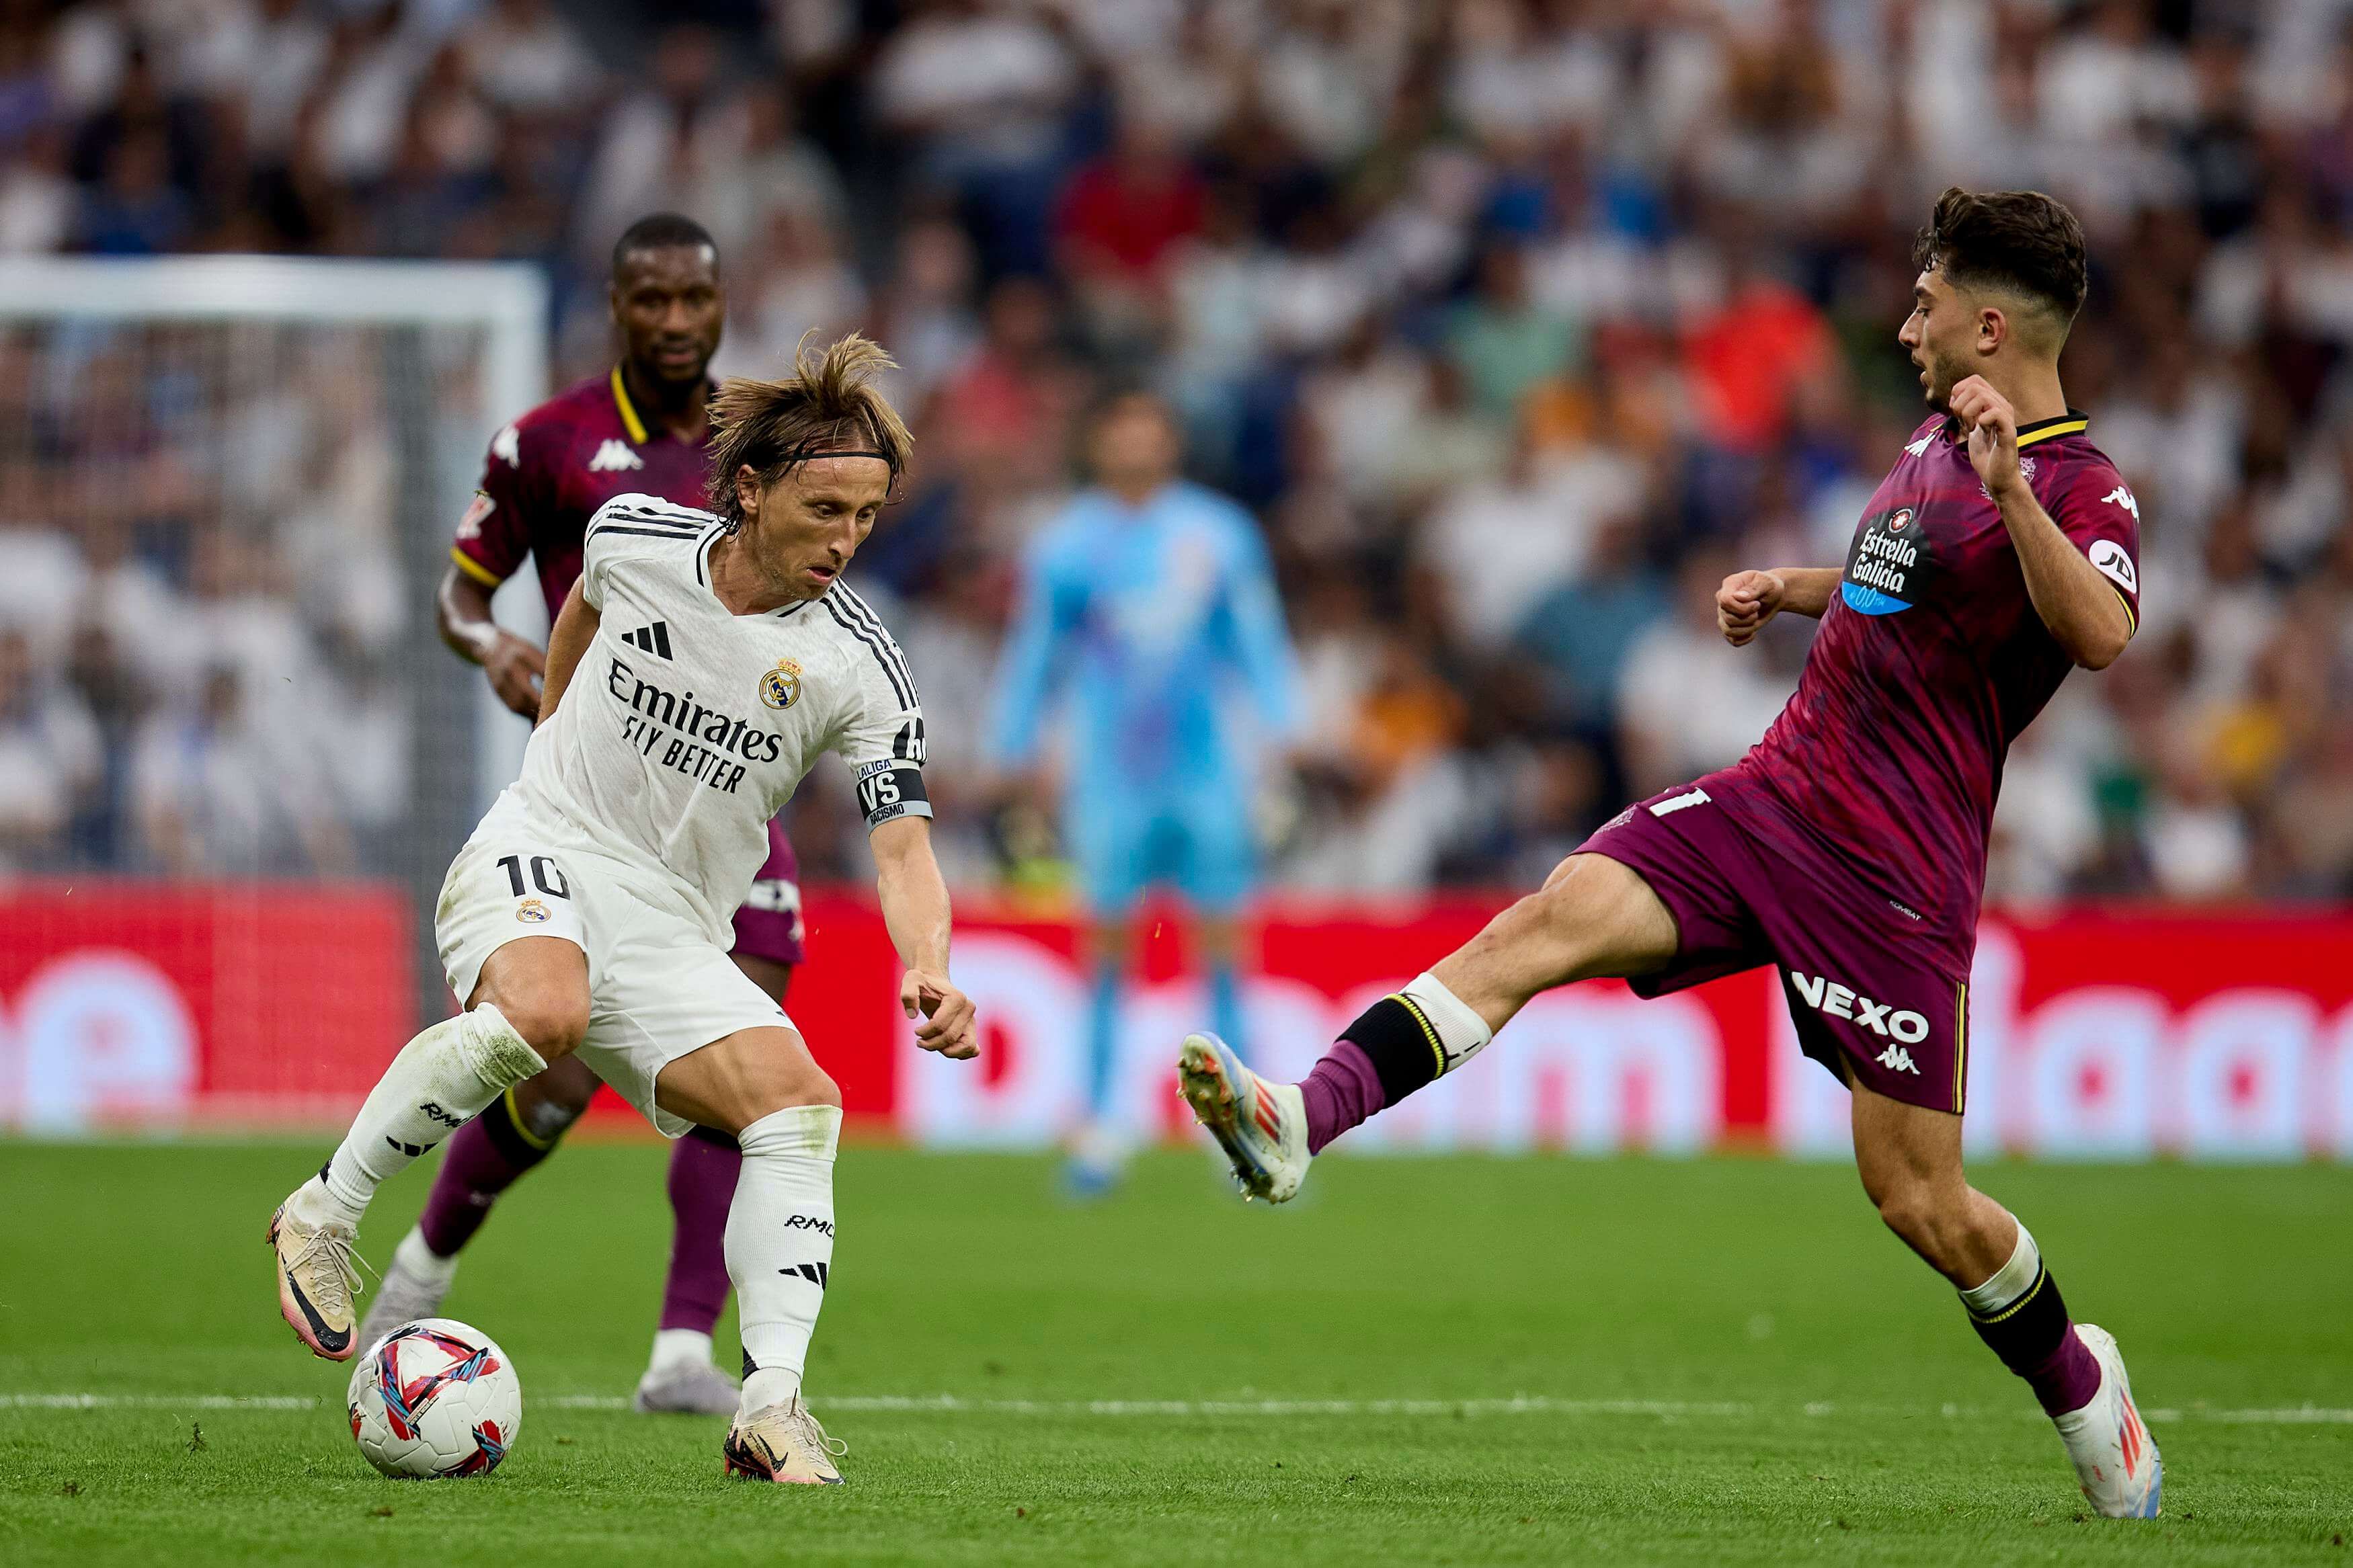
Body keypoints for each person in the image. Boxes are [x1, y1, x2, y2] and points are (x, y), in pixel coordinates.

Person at [1179, 188, 2164, 1519]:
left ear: (1991, 322)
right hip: (1778, 797)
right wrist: (1795, 588)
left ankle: (2082, 1388)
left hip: (1893, 878)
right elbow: (1911, 584)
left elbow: (2099, 629)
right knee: (1552, 913)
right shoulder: (1935, 435)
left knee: (1922, 1202)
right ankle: (1305, 1116)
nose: (1903, 322)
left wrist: (2011, 491)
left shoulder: (2076, 483)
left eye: (1926, 303)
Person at [269, 334, 977, 1486]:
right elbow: (581, 616)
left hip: (674, 921)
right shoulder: (632, 536)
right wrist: (548, 756)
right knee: (543, 1015)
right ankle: (325, 1213)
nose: (846, 540)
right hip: (546, 842)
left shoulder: (863, 667)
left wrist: (931, 963)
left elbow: (903, 848)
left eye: (866, 514)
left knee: (801, 1106)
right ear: (748, 489)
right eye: (823, 507)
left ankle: (773, 1406)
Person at [358, 214, 812, 1416]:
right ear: (615, 304)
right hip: (598, 803)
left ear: (722, 304)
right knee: (550, 1073)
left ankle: (679, 1350)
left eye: (694, 300)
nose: (674, 321)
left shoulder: (756, 446)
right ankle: (422, 1263)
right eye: (650, 300)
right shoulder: (547, 441)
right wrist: (498, 646)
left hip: (730, 793)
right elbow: (459, 598)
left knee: (751, 1048)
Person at [989, 390, 1300, 1194]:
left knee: (1225, 944)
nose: (1134, 447)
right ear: (1099, 444)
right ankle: (1099, 1125)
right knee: (1105, 949)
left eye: (1147, 434)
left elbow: (1254, 638)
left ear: (1168, 443)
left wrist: (1283, 727)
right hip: (1110, 775)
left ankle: (1239, 1127)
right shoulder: (1067, 544)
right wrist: (1014, 743)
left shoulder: (1218, 533)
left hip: (1207, 772)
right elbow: (1036, 651)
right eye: (1119, 433)